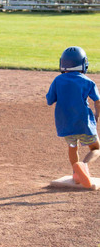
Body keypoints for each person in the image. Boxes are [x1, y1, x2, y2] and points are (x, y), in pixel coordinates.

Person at [46, 46, 100, 187]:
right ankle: (83, 165)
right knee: (96, 148)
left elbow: (49, 100)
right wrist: (97, 116)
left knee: (72, 146)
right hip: (83, 123)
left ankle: (76, 174)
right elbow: (97, 101)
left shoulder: (58, 80)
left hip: (65, 123)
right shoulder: (88, 81)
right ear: (83, 63)